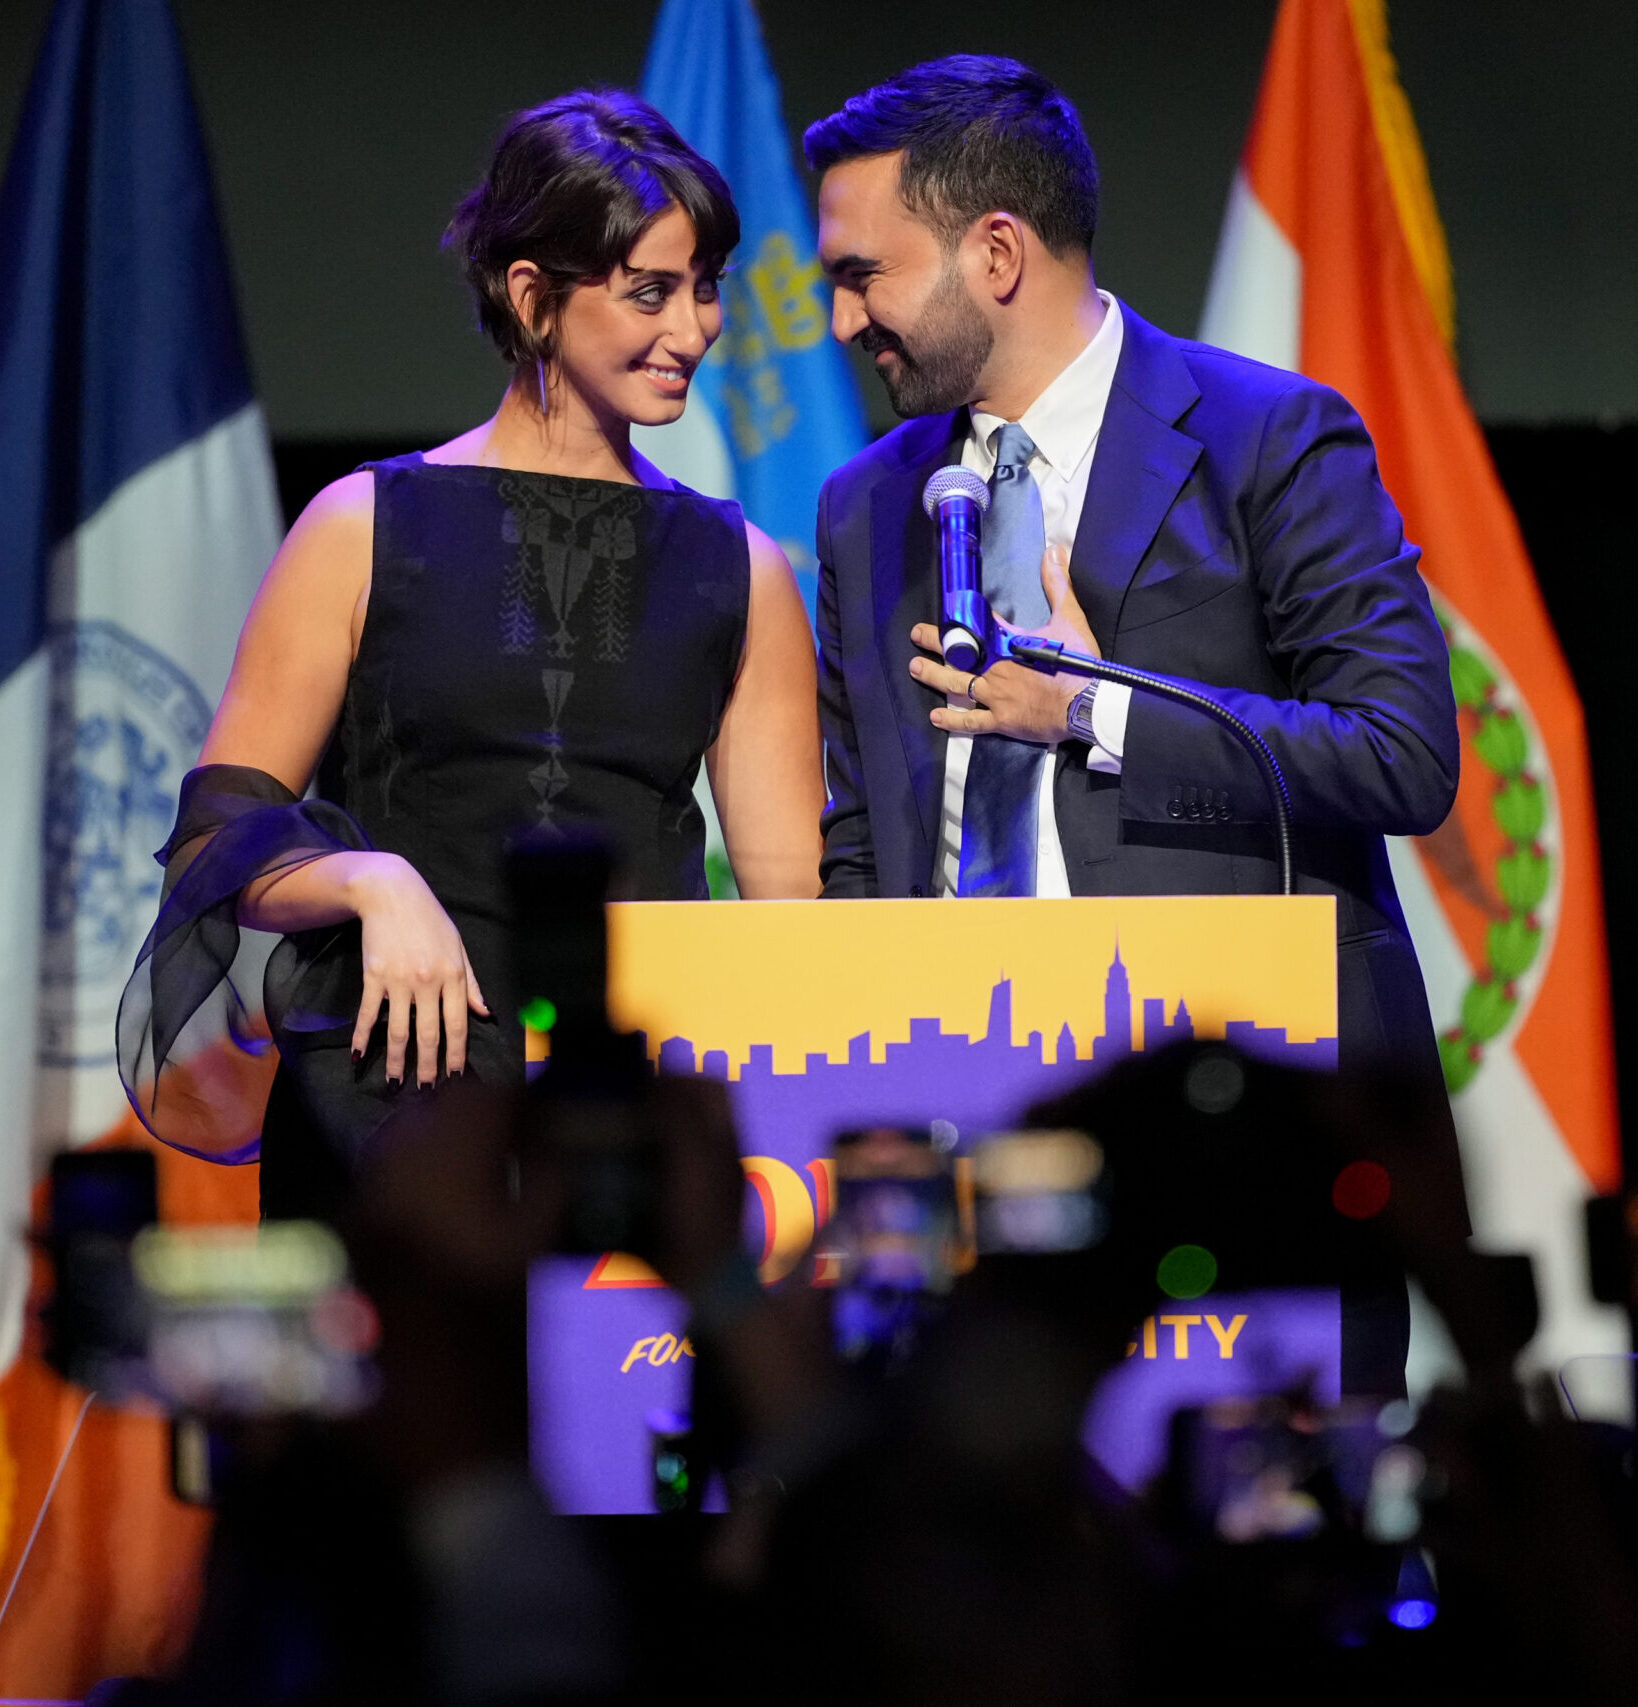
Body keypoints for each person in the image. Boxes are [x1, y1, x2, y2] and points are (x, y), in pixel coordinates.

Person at [802, 56, 1462, 1390]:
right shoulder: (864, 504)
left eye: (860, 273)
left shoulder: (1263, 438)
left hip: (1230, 1117)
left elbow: (1403, 753)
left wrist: (1088, 707)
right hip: (961, 1131)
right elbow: (861, 831)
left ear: (994, 252)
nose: (837, 319)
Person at [118, 92, 824, 1219]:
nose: (694, 329)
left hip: (627, 1119)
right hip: (388, 1109)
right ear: (532, 295)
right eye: (651, 291)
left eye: (705, 288)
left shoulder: (740, 567)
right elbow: (220, 842)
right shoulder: (360, 527)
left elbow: (789, 919)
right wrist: (369, 878)